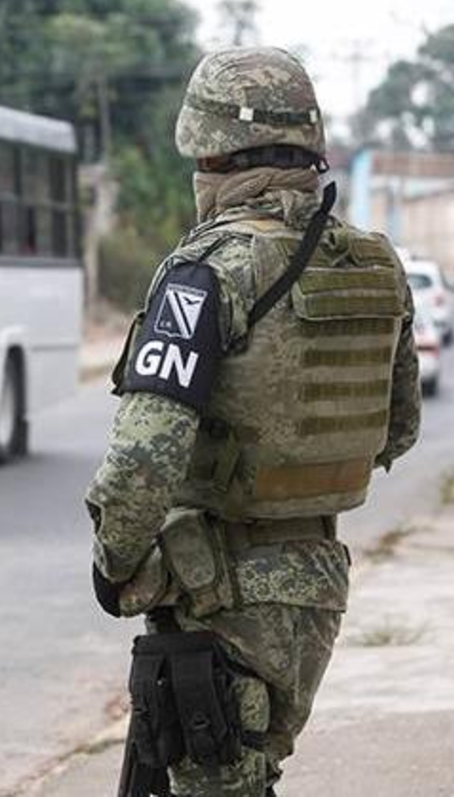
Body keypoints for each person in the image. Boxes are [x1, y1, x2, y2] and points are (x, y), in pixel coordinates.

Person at [86, 47, 420, 796]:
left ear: (213, 155)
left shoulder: (208, 270)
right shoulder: (373, 262)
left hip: (218, 597)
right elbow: (398, 432)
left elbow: (143, 461)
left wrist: (115, 562)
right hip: (318, 587)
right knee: (253, 775)